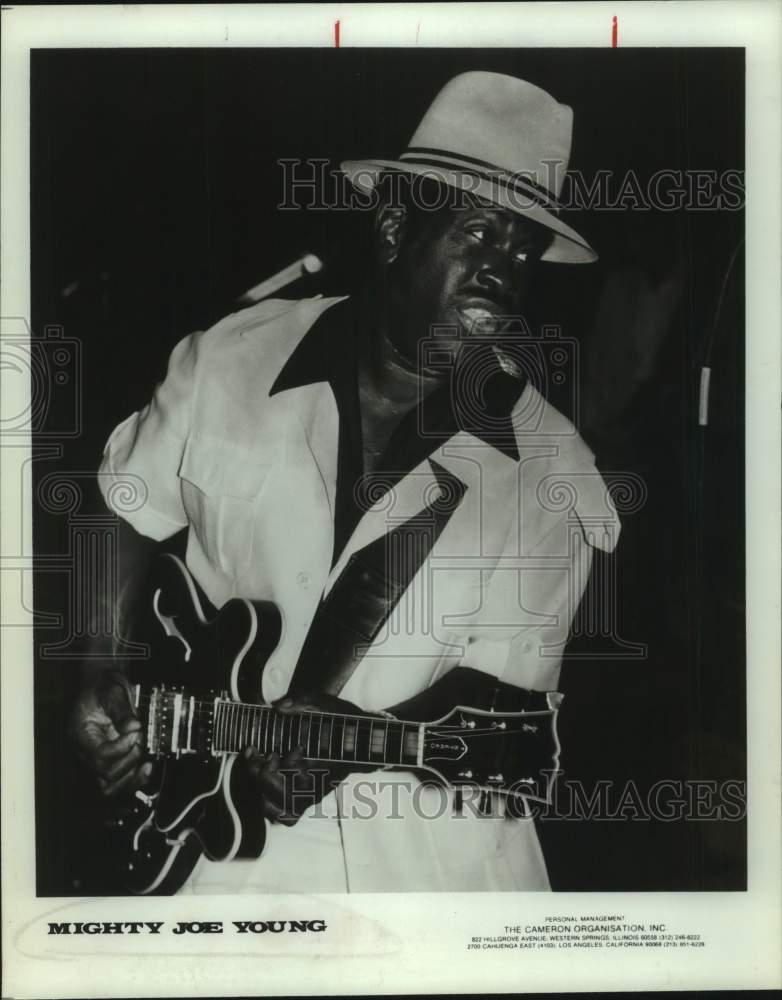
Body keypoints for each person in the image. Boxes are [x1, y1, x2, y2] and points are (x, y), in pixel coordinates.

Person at [70, 71, 620, 892]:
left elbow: (500, 734)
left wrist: (348, 741)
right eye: (479, 233)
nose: (504, 273)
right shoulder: (227, 360)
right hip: (204, 862)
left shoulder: (558, 483)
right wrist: (97, 661)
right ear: (397, 226)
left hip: (426, 883)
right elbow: (122, 501)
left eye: (523, 250)